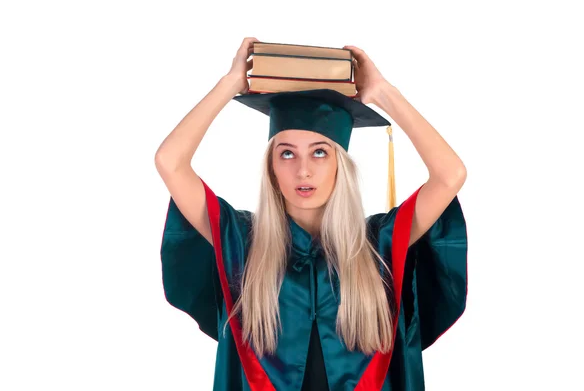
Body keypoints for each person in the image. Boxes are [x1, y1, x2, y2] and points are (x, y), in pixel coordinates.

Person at [155, 37, 468, 391]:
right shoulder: (241, 243)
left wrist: (383, 93)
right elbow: (170, 162)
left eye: (320, 153)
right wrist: (230, 84)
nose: (303, 171)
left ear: (341, 164)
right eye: (287, 154)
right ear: (271, 167)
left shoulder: (379, 245)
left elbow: (450, 175)